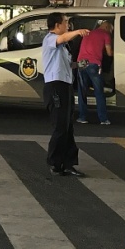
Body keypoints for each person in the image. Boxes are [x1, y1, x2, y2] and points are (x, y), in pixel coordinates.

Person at [41, 12, 90, 177]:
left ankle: (68, 163)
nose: (67, 25)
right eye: (65, 22)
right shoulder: (50, 39)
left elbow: (67, 64)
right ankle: (55, 163)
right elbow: (62, 38)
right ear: (57, 25)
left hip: (65, 85)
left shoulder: (63, 46)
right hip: (55, 86)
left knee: (68, 126)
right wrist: (77, 32)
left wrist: (78, 64)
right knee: (60, 127)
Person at [76, 19, 114, 125]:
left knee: (82, 92)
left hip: (81, 63)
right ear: (107, 27)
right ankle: (103, 119)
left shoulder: (88, 33)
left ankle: (82, 117)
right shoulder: (105, 35)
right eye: (111, 30)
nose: (110, 33)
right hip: (94, 64)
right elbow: (109, 53)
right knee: (99, 92)